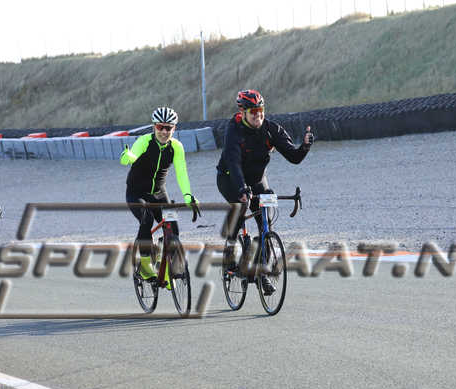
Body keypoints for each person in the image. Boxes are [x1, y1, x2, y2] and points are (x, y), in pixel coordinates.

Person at [217, 89, 314, 293]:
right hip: (230, 177)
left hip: (257, 179)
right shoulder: (234, 130)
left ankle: (261, 273)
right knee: (241, 206)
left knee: (265, 224)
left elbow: (294, 157)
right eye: (253, 112)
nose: (258, 115)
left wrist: (305, 146)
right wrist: (242, 188)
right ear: (243, 112)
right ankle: (230, 249)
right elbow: (233, 162)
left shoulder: (271, 129)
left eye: (261, 111)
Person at [120, 106, 196, 283]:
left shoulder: (176, 147)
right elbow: (131, 155)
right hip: (136, 192)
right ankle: (145, 265)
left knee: (173, 227)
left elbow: (182, 173)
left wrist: (188, 196)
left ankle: (166, 262)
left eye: (168, 128)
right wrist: (128, 156)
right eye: (160, 127)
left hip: (159, 193)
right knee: (146, 219)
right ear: (154, 127)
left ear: (174, 129)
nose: (163, 131)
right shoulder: (144, 141)